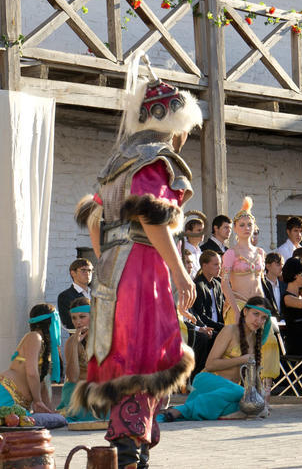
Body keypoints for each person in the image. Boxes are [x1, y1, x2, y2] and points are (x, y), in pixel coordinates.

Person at [70, 62, 200, 469]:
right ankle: (131, 459)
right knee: (145, 357)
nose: (183, 138)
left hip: (111, 271)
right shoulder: (155, 159)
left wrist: (110, 258)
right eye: (183, 129)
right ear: (172, 122)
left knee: (123, 359)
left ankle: (130, 456)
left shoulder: (115, 164)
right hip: (142, 271)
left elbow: (95, 222)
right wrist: (178, 272)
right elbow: (152, 215)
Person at [161, 296, 272, 422]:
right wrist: (242, 359)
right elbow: (210, 365)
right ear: (245, 312)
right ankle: (181, 410)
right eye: (256, 314)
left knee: (257, 406)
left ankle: (218, 412)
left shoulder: (256, 340)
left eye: (263, 318)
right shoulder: (229, 330)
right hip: (207, 382)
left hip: (227, 394)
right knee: (245, 396)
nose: (258, 320)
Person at [220, 198, 279, 382]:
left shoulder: (260, 252)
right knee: (240, 347)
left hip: (259, 305)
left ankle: (264, 394)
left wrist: (267, 308)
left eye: (250, 224)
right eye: (242, 225)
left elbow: (261, 282)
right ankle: (236, 391)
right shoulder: (231, 253)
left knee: (268, 343)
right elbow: (224, 283)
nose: (247, 228)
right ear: (235, 229)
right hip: (239, 302)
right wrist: (237, 311)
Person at [0, 304, 60, 413]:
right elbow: (32, 372)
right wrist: (37, 401)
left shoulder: (45, 348)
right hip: (6, 394)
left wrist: (50, 411)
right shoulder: (34, 337)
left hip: (21, 406)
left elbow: (43, 385)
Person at [57, 298, 101, 421]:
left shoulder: (105, 338)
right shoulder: (71, 341)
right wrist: (75, 344)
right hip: (77, 389)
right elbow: (72, 377)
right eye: (74, 318)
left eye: (82, 317)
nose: (78, 322)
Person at [191, 250, 225, 339]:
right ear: (204, 266)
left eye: (220, 264)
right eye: (216, 264)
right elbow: (201, 315)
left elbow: (221, 310)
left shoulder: (218, 284)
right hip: (205, 330)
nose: (219, 268)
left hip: (218, 329)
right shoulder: (198, 285)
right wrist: (221, 327)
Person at [57, 259, 93, 331]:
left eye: (89, 270)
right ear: (73, 273)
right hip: (79, 339)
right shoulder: (65, 296)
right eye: (83, 270)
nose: (87, 273)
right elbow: (69, 323)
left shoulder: (96, 294)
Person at [262, 252, 285, 320]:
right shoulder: (261, 285)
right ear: (268, 266)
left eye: (282, 264)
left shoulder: (284, 286)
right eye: (278, 264)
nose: (281, 267)